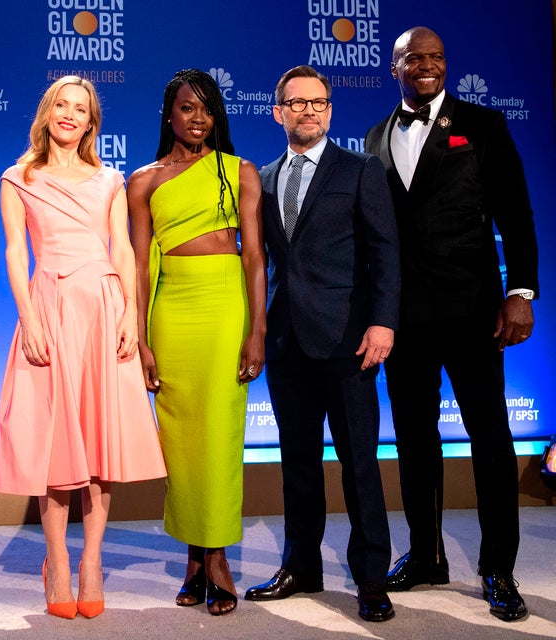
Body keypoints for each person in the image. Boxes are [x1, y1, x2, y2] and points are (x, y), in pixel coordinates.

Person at [365, 27, 539, 622]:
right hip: (404, 317)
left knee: (490, 437)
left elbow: (517, 212)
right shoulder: (375, 136)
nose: (427, 66)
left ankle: (499, 568)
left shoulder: (484, 125)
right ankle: (425, 554)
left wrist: (520, 291)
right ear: (396, 68)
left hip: (472, 312)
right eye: (415, 58)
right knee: (414, 440)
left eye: (436, 57)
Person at [0, 76, 167, 619]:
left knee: (99, 443)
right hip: (52, 308)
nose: (70, 114)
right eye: (61, 105)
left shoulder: (110, 179)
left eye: (81, 109)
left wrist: (131, 317)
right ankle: (56, 562)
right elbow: (17, 254)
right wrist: (29, 316)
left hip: (102, 309)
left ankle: (90, 561)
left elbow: (123, 250)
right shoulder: (18, 177)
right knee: (55, 443)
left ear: (92, 123)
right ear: (47, 114)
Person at [244, 65, 400, 623]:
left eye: (318, 102)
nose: (308, 111)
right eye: (297, 103)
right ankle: (301, 565)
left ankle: (371, 579)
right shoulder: (260, 178)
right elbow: (261, 264)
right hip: (287, 343)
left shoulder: (360, 169)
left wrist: (383, 324)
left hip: (348, 341)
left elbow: (385, 251)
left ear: (329, 110)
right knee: (298, 463)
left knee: (360, 464)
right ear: (277, 111)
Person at [126, 69, 267, 616]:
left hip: (223, 309)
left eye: (207, 108)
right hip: (173, 313)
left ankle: (217, 558)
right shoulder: (142, 182)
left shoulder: (240, 171)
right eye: (188, 107)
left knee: (219, 437)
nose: (198, 117)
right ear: (170, 114)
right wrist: (139, 340)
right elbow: (139, 265)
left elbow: (254, 257)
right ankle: (194, 555)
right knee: (181, 442)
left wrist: (256, 329)